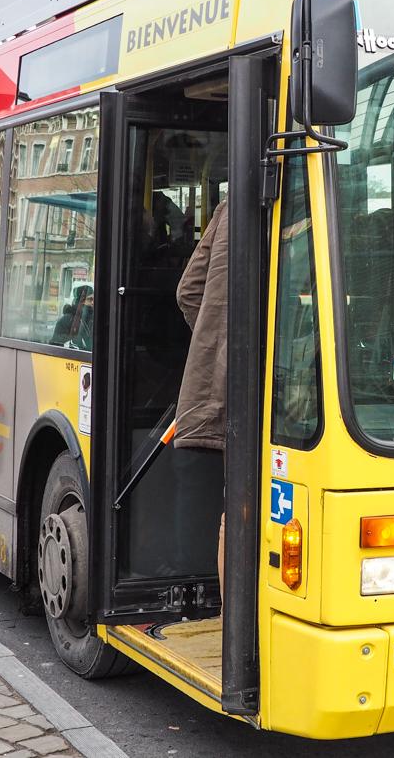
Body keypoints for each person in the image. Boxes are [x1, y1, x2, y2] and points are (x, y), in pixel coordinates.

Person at [174, 199, 228, 591]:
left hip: (227, 389)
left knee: (235, 503)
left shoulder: (230, 208)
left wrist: (218, 347)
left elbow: (188, 291)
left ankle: (232, 618)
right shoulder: (310, 205)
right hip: (286, 394)